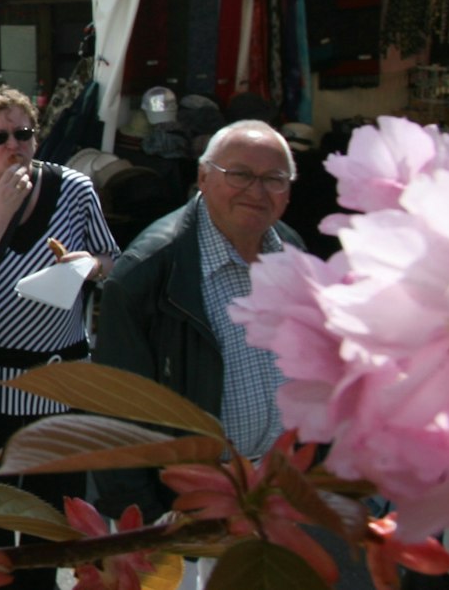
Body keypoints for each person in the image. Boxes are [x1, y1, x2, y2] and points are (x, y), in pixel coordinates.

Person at [0, 88, 117, 589]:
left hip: (60, 384)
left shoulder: (75, 188)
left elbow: (110, 259)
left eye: (24, 134)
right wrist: (0, 212)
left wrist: (85, 266)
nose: (14, 146)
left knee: (46, 524)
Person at [95, 120, 308, 521]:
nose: (256, 190)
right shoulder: (148, 273)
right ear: (203, 177)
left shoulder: (292, 252)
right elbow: (115, 415)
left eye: (274, 179)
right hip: (183, 502)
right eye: (240, 174)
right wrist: (147, 521)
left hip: (273, 488)